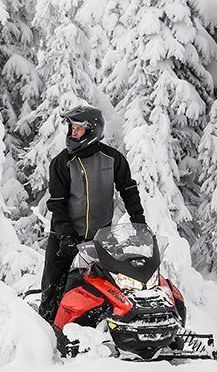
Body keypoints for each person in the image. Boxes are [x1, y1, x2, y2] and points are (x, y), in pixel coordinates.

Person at [38, 105, 146, 324]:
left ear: (92, 131)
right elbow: (57, 203)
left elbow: (128, 189)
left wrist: (139, 221)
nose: (73, 133)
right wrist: (66, 235)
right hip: (65, 236)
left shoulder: (112, 158)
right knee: (53, 287)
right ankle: (47, 330)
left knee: (118, 285)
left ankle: (113, 326)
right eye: (72, 128)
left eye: (78, 129)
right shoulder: (62, 162)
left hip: (101, 237)